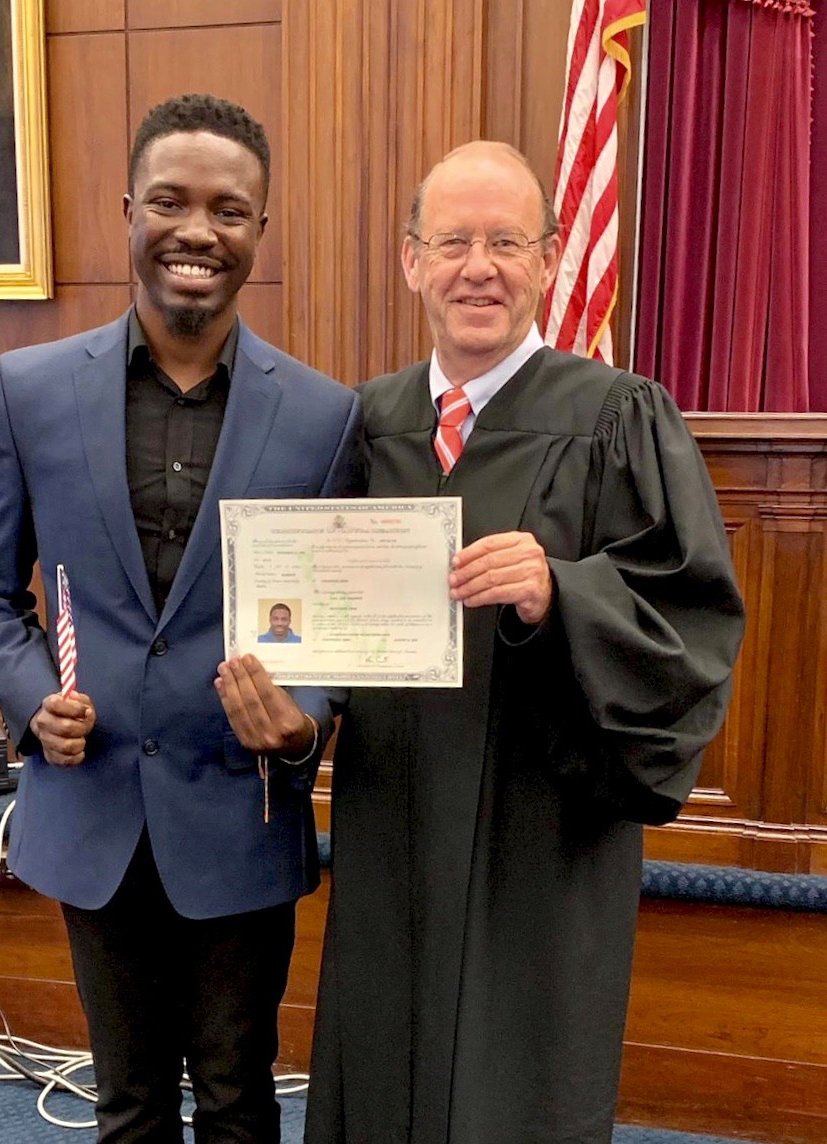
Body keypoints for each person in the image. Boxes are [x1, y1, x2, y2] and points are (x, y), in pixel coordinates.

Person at [299, 141, 746, 1144]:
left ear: (548, 260)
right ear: (409, 259)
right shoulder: (360, 423)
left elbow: (692, 620)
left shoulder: (615, 417)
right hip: (390, 816)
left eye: (505, 241)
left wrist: (564, 593)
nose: (478, 267)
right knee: (379, 1059)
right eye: (452, 241)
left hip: (539, 824)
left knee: (520, 1087)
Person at [0, 93, 361, 1144]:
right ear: (127, 211)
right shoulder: (30, 390)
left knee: (235, 1096)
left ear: (258, 234)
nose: (197, 230)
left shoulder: (324, 416)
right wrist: (35, 702)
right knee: (127, 1101)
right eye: (170, 201)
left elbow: (332, 622)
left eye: (229, 210)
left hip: (239, 811)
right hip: (92, 807)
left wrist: (302, 719)